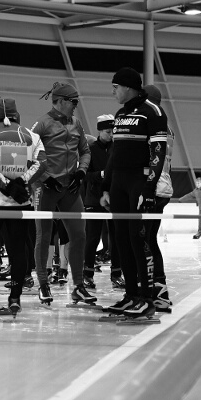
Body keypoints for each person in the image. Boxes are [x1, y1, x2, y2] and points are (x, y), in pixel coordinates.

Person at [101, 67, 168, 319]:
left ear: (128, 87)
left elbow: (158, 152)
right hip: (118, 183)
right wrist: (106, 187)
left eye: (115, 87)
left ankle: (147, 299)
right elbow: (114, 154)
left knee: (138, 239)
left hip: (139, 182)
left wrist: (149, 189)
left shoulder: (153, 111)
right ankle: (131, 295)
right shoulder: (121, 114)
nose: (113, 92)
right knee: (121, 240)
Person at [0, 98, 45, 316]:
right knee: (18, 251)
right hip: (21, 203)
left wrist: (5, 186)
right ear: (16, 114)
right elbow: (42, 162)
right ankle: (15, 299)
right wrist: (21, 183)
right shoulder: (32, 136)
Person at [30, 82, 92, 307]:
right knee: (43, 236)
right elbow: (29, 155)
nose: (76, 105)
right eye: (73, 101)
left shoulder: (76, 123)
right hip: (46, 187)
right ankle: (43, 284)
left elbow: (85, 151)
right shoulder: (42, 125)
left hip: (69, 187)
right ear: (62, 101)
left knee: (79, 234)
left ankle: (78, 286)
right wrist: (45, 178)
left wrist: (81, 172)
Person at [143, 84, 173, 313]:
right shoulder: (165, 125)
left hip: (153, 188)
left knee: (145, 240)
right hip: (162, 187)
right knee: (149, 239)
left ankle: (155, 290)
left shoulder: (153, 122)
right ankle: (157, 288)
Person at [82, 114, 117, 289]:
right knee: (92, 237)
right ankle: (87, 274)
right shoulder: (91, 149)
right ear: (100, 131)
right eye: (107, 131)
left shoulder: (117, 148)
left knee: (115, 238)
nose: (111, 135)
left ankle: (117, 274)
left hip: (114, 198)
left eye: (113, 131)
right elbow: (85, 175)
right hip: (94, 199)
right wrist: (101, 175)